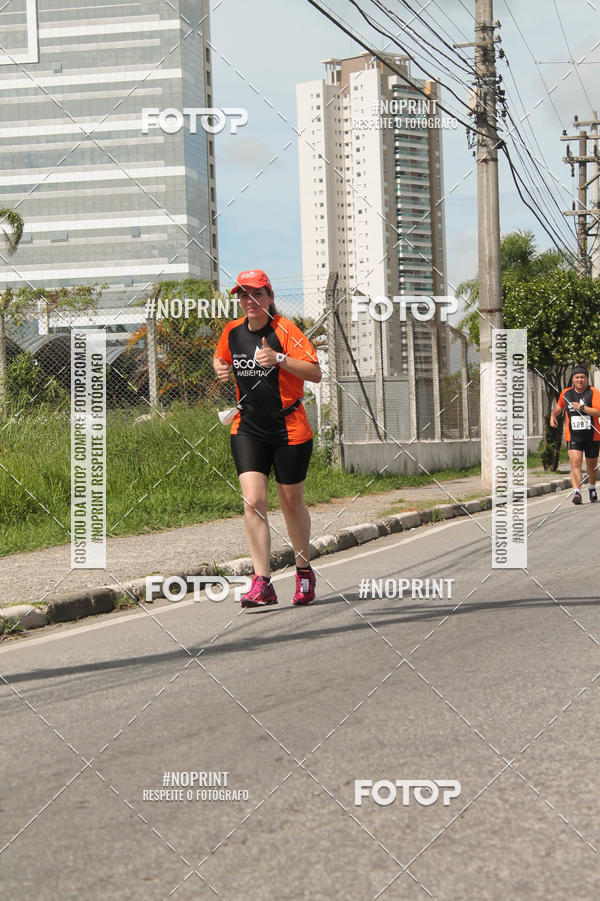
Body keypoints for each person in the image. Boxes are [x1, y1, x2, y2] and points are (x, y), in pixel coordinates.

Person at [213, 269, 322, 606]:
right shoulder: (232, 331)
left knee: (291, 504)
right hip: (248, 427)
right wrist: (218, 366)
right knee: (253, 501)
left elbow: (315, 373)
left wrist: (280, 359)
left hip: (289, 428)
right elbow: (221, 357)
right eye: (244, 295)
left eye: (257, 294)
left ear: (270, 297)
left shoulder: (286, 330)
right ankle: (263, 582)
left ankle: (303, 571)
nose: (250, 301)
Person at [550, 365, 600, 505]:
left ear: (586, 379)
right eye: (577, 377)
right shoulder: (566, 393)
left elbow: (599, 412)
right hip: (574, 435)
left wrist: (582, 408)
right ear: (572, 379)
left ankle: (591, 488)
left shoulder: (593, 392)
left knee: (591, 465)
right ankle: (577, 492)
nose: (579, 380)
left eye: (582, 377)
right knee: (575, 463)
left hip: (592, 435)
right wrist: (553, 415)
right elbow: (559, 407)